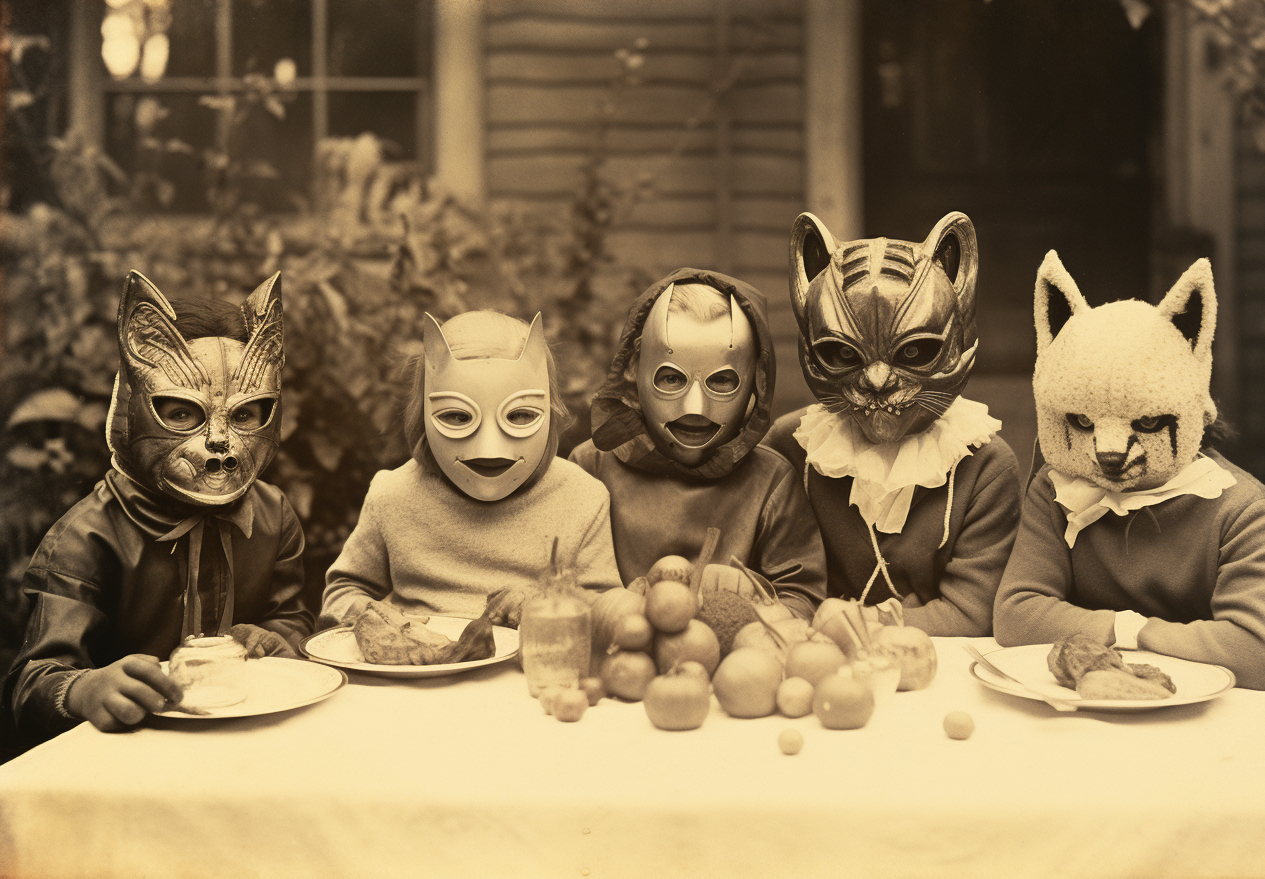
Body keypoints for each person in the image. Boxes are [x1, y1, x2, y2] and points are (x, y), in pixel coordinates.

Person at [4, 271, 316, 743]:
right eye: (181, 412)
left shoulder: (274, 516)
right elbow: (32, 684)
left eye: (245, 414)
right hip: (130, 758)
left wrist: (277, 637)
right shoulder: (87, 537)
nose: (218, 442)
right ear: (133, 406)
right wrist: (87, 689)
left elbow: (291, 617)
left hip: (252, 739)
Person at [993, 252, 1265, 692]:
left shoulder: (1239, 508)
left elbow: (1261, 654)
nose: (1109, 453)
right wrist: (1165, 635)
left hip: (1203, 711)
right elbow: (1016, 616)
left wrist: (1131, 632)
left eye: (1148, 422)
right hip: (1085, 699)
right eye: (1082, 422)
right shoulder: (1057, 491)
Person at [763, 211, 1021, 636]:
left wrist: (846, 622)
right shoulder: (789, 448)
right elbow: (774, 589)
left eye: (915, 351)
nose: (878, 381)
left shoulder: (986, 467)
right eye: (843, 354)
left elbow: (971, 614)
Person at [320, 310, 620, 630]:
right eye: (458, 417)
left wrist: (551, 601)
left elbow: (608, 610)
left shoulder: (581, 498)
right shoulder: (392, 494)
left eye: (519, 416)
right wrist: (362, 611)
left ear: (551, 411)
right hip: (416, 673)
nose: (489, 448)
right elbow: (343, 592)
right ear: (422, 414)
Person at [570, 268, 826, 619]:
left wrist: (742, 606)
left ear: (757, 381)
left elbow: (803, 599)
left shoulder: (772, 481)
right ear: (634, 367)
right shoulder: (590, 468)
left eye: (722, 381)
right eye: (671, 378)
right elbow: (564, 588)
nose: (695, 409)